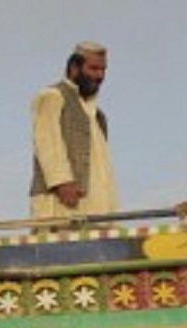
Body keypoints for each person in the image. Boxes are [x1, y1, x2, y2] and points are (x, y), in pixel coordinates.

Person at [30, 41, 117, 220]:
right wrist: (61, 181)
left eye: (103, 70)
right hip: (63, 205)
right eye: (93, 68)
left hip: (97, 208)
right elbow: (46, 140)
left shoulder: (98, 115)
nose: (100, 75)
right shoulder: (53, 95)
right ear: (74, 68)